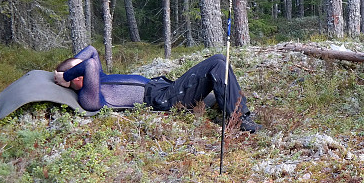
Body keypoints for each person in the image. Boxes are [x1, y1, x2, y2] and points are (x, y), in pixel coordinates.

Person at [53, 45, 261, 132]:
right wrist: (66, 77)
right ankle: (239, 120)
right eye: (77, 73)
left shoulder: (100, 78)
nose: (82, 72)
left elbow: (91, 51)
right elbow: (88, 65)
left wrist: (69, 67)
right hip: (164, 100)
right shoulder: (90, 97)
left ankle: (236, 113)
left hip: (164, 87)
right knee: (217, 63)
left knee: (218, 61)